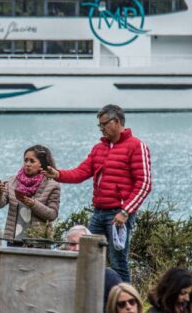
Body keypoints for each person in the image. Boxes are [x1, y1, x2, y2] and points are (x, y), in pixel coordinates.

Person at [45, 104, 152, 282]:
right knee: (87, 255)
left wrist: (125, 212)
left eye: (104, 124)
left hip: (118, 214)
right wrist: (58, 175)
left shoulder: (136, 146)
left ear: (117, 122)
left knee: (118, 262)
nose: (101, 129)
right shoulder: (99, 149)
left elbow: (145, 183)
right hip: (99, 212)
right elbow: (81, 173)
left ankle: (124, 303)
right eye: (99, 125)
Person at [0, 144, 61, 244]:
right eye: (26, 160)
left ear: (42, 164)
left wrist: (33, 204)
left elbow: (52, 215)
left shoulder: (52, 185)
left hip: (38, 241)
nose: (27, 164)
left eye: (32, 161)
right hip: (13, 239)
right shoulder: (13, 181)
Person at [63, 224, 122, 307]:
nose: (77, 248)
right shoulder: (60, 276)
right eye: (72, 244)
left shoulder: (108, 277)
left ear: (91, 247)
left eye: (82, 244)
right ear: (66, 247)